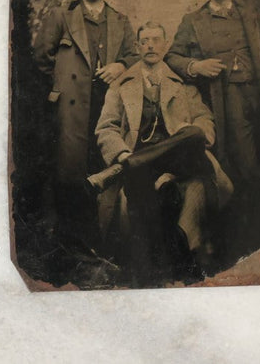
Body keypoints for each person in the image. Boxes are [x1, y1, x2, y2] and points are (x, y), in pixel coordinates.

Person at [165, 0, 260, 258]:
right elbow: (171, 56)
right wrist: (196, 65)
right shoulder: (193, 21)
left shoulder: (250, 16)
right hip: (227, 99)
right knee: (243, 163)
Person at [92, 21, 233, 284]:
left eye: (157, 40)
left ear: (166, 45)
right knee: (143, 186)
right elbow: (106, 128)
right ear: (137, 47)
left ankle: (138, 165)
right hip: (136, 158)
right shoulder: (121, 85)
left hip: (178, 159)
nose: (150, 46)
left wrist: (187, 130)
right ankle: (170, 254)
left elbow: (205, 121)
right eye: (144, 41)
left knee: (194, 134)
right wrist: (122, 154)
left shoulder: (183, 84)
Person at [32, 0, 139, 271]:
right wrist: (63, 83)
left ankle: (101, 245)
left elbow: (133, 56)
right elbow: (41, 57)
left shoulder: (119, 20)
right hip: (72, 109)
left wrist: (119, 66)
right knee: (69, 171)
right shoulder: (61, 15)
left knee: (103, 167)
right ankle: (70, 246)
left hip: (107, 107)